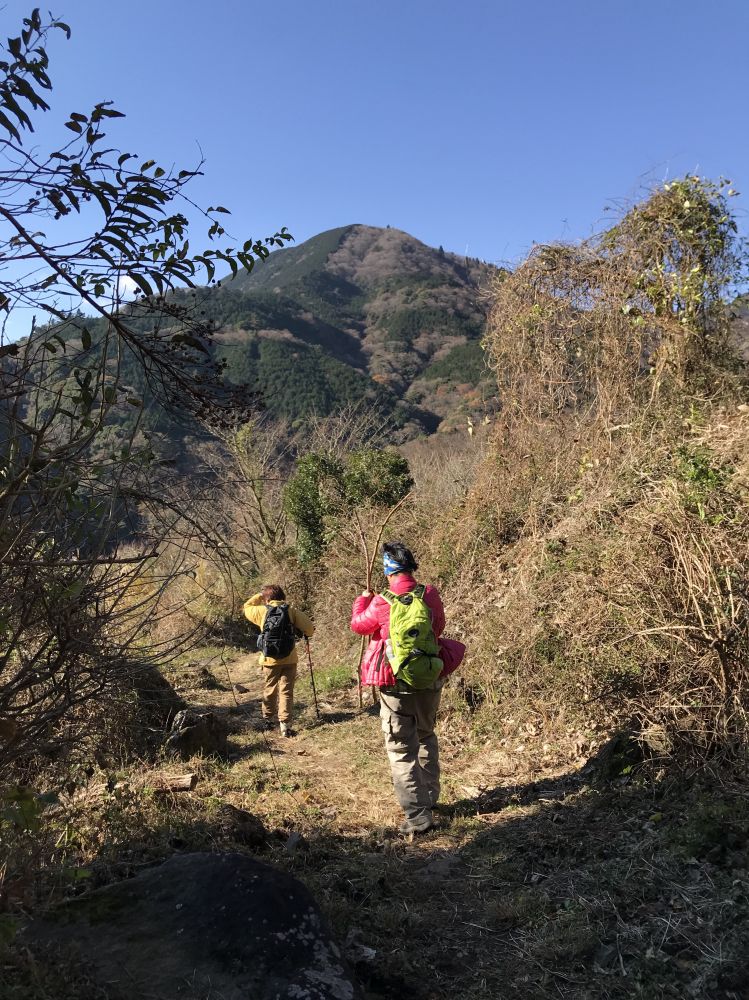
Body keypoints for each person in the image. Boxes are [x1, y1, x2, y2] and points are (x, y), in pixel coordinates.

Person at [350, 542, 465, 835]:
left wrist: (361, 602)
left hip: (394, 681)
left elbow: (359, 626)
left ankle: (418, 816)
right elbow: (438, 627)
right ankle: (430, 798)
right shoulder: (429, 594)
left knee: (401, 748)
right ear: (411, 567)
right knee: (426, 735)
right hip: (428, 674)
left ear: (388, 571)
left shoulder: (382, 602)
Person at [243, 584, 315, 737]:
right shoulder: (291, 611)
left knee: (270, 689)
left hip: (269, 659)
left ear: (267, 598)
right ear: (283, 597)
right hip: (289, 658)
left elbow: (246, 606)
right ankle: (285, 725)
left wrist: (260, 595)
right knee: (286, 691)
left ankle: (268, 720)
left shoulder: (262, 611)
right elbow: (309, 629)